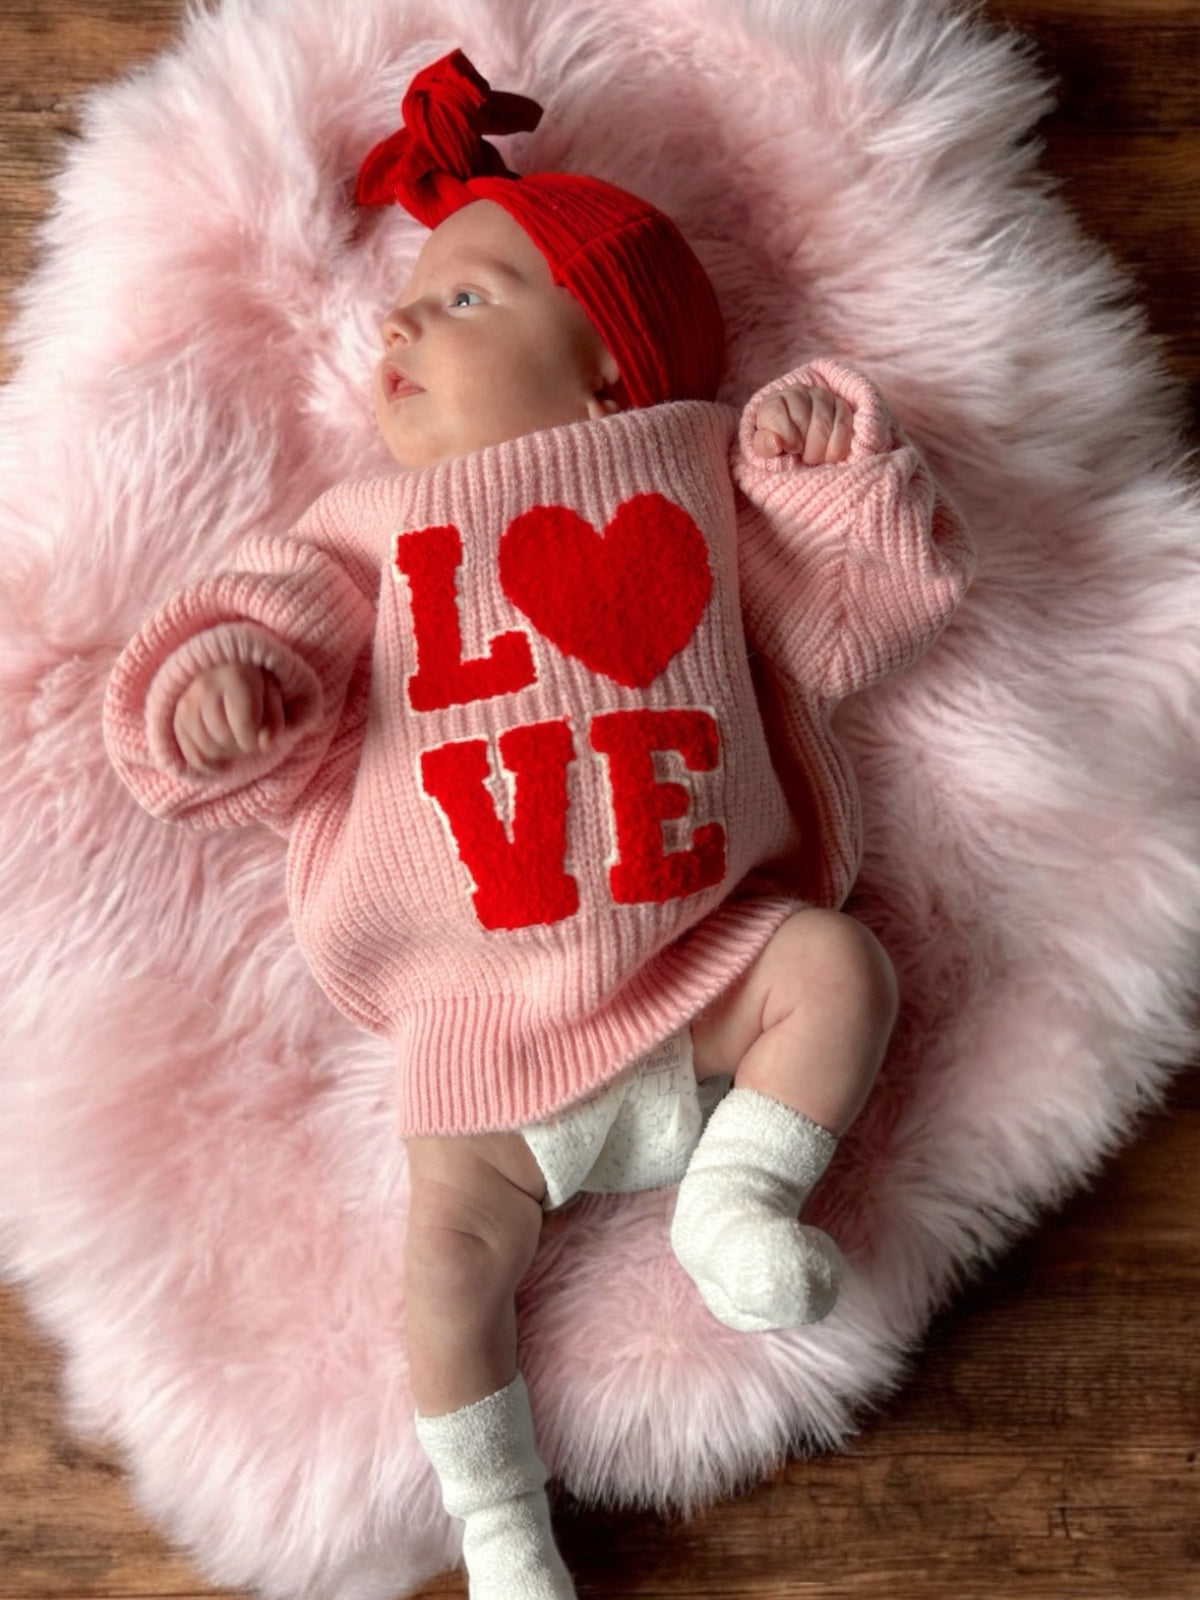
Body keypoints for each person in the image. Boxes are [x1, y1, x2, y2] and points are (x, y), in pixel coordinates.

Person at [103, 50, 973, 1600]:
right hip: (481, 1030)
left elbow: (865, 609)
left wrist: (829, 482)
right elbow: (265, 626)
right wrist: (220, 683)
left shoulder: (699, 490)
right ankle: (506, 1533)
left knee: (842, 969)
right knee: (444, 1277)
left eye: (468, 297)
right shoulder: (360, 537)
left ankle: (742, 1197)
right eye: (411, 299)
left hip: (713, 972)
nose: (403, 322)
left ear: (610, 375)